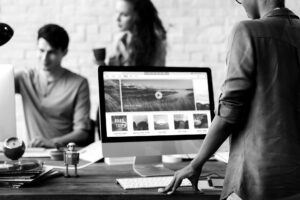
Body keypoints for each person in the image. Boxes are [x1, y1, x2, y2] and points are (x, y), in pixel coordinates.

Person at [159, 0, 300, 200]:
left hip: (258, 181)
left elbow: (229, 111)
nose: (240, 3)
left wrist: (195, 164)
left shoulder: (247, 30)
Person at [15, 24, 91, 148]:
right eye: (41, 51)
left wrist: (53, 142)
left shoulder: (79, 83)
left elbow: (82, 132)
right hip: (33, 153)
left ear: (64, 52)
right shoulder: (24, 78)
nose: (44, 58)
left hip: (62, 153)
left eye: (52, 52)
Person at [108, 0, 167, 66]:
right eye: (117, 12)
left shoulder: (156, 44)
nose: (117, 19)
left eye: (124, 15)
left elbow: (156, 74)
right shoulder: (120, 40)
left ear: (137, 17)